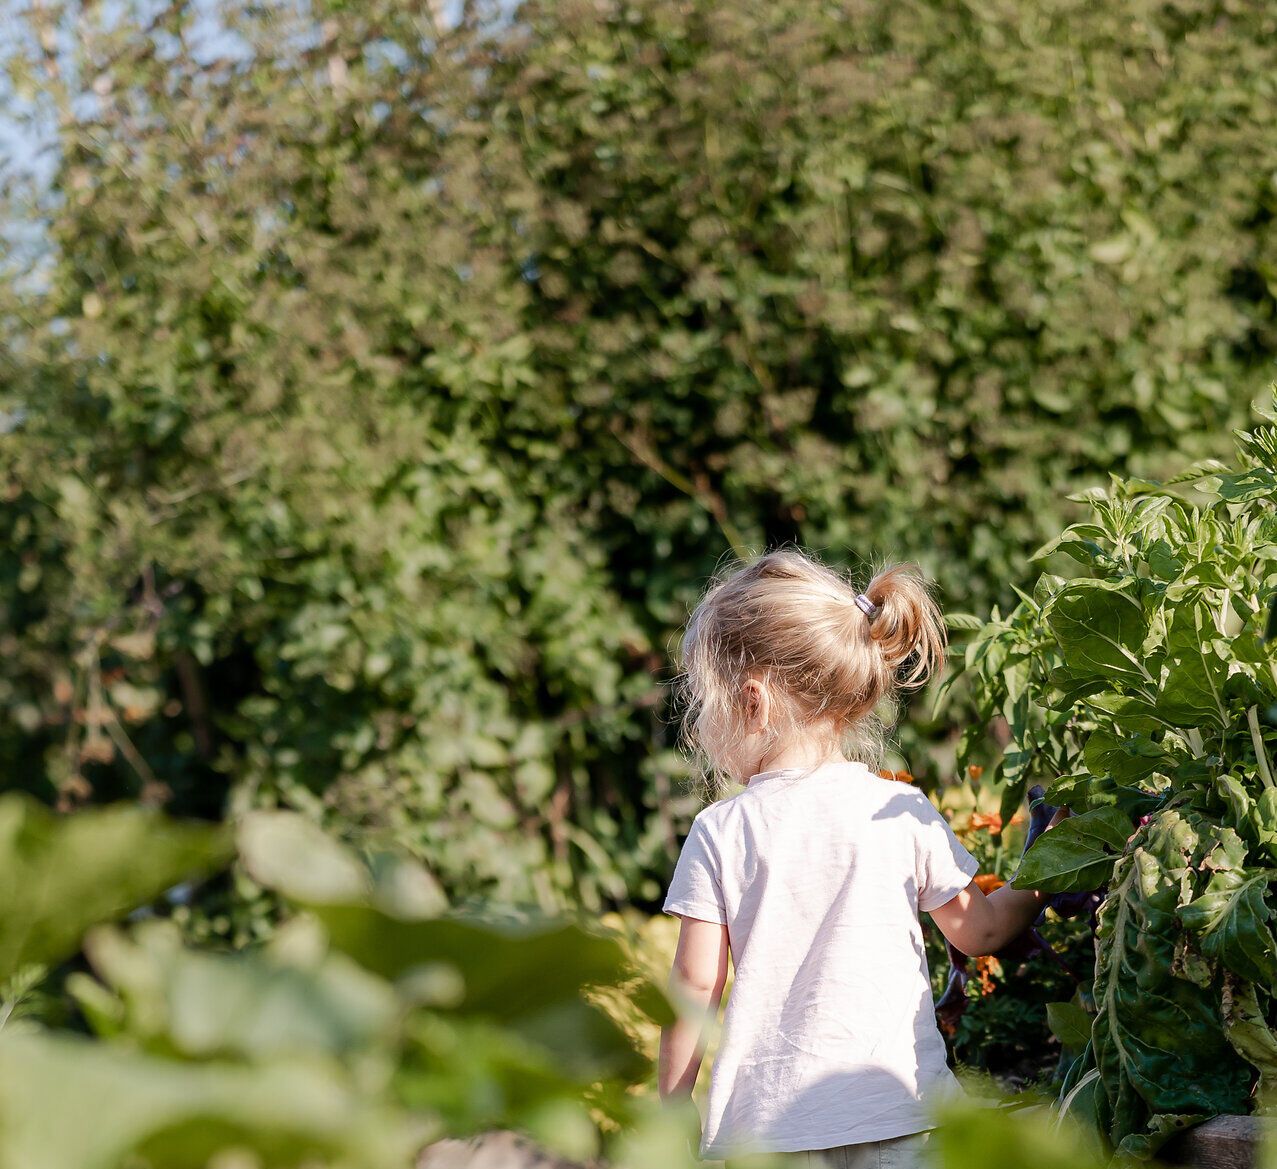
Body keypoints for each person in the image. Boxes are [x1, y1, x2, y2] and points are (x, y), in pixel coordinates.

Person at [657, 549, 1066, 1167]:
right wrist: (1051, 861)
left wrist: (669, 1104)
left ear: (752, 700)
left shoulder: (722, 830)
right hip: (905, 1115)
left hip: (769, 1135)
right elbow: (981, 931)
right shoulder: (898, 811)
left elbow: (694, 984)